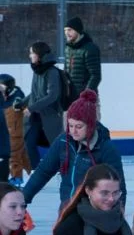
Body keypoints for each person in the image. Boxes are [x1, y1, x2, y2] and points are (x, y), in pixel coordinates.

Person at [22, 89, 125, 213]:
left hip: (95, 214)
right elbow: (43, 172)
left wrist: (118, 215)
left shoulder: (106, 149)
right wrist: (22, 200)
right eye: (70, 126)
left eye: (79, 126)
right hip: (67, 211)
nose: (73, 131)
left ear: (91, 125)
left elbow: (118, 186)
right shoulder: (62, 142)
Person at [23, 41, 64, 169]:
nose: (30, 56)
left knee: (56, 145)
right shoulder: (37, 70)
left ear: (39, 55)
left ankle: (63, 169)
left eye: (32, 53)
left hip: (49, 115)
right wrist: (21, 102)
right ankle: (35, 170)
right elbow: (35, 94)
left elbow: (53, 95)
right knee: (29, 142)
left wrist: (31, 107)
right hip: (35, 116)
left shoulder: (52, 72)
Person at [1, 74, 31, 186]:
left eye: (2, 88)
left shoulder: (16, 99)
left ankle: (16, 178)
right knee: (22, 154)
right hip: (9, 132)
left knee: (14, 156)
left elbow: (24, 105)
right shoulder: (4, 98)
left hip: (14, 133)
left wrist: (23, 106)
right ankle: (30, 172)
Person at [63, 16, 102, 93]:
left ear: (77, 31)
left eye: (70, 30)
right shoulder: (68, 48)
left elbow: (95, 75)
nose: (67, 33)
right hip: (70, 96)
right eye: (65, 30)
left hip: (85, 98)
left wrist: (86, 95)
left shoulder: (90, 49)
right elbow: (66, 72)